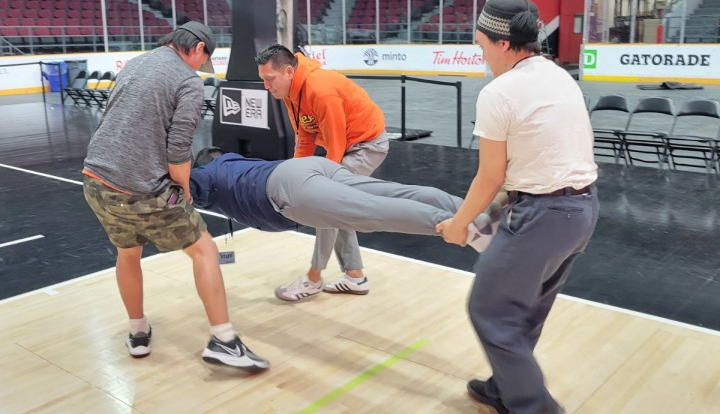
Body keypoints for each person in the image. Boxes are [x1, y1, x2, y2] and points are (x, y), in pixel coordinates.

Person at [436, 0, 599, 414]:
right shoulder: (557, 74)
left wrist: (459, 224)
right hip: (581, 211)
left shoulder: (500, 91)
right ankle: (504, 388)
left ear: (503, 44)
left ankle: (533, 408)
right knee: (525, 310)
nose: (481, 54)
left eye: (481, 44)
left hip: (543, 216)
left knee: (488, 309)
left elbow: (489, 175)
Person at [82, 22, 269, 372]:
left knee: (127, 253)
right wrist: (183, 190)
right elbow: (179, 147)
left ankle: (138, 333)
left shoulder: (137, 63)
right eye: (204, 60)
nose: (200, 68)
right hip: (142, 189)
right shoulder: (187, 81)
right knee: (204, 248)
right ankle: (225, 341)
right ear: (197, 48)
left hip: (96, 180)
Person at [188, 147, 503, 302]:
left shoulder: (205, 177)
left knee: (373, 211)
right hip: (311, 167)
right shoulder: (228, 161)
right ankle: (478, 215)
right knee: (393, 191)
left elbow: (178, 181)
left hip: (286, 191)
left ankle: (465, 228)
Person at [255, 44, 389, 301]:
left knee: (326, 204)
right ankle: (355, 275)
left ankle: (314, 278)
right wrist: (295, 176)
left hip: (366, 145)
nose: (266, 86)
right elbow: (305, 136)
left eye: (269, 79)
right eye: (263, 80)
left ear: (288, 71)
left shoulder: (320, 89)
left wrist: (321, 186)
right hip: (347, 145)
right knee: (336, 208)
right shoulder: (292, 94)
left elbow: (336, 142)